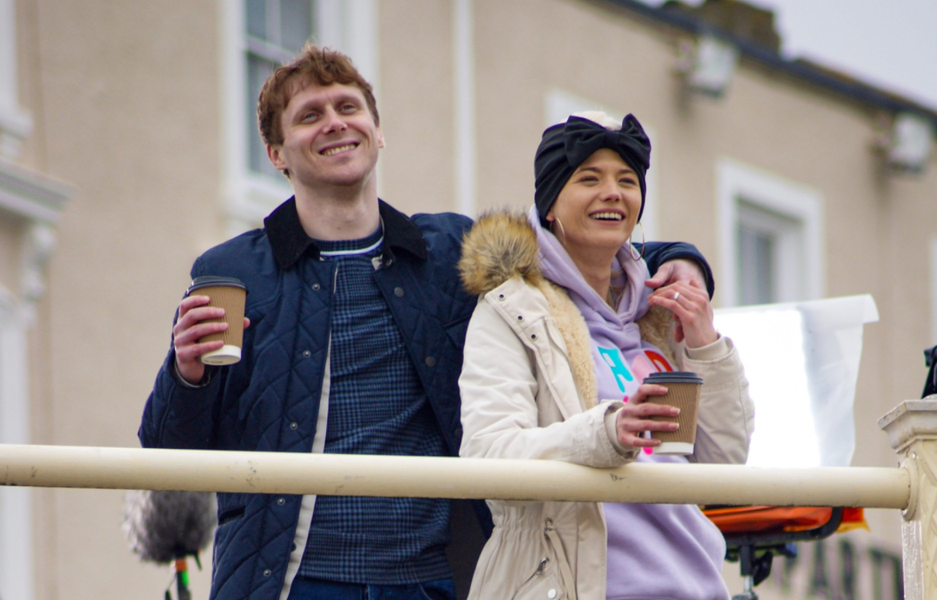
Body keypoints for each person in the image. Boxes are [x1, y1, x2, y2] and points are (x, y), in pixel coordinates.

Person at [139, 45, 717, 600]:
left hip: (424, 582)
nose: (334, 124)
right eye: (309, 115)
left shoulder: (449, 250)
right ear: (276, 153)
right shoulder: (232, 270)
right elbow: (169, 454)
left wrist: (682, 262)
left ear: (378, 130)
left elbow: (579, 239)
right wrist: (186, 373)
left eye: (348, 107)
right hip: (285, 583)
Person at [457, 112, 755, 599]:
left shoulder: (658, 312)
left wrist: (707, 347)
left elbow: (722, 470)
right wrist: (607, 432)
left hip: (695, 587)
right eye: (588, 178)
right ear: (550, 203)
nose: (613, 193)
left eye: (627, 180)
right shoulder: (511, 308)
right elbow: (489, 458)